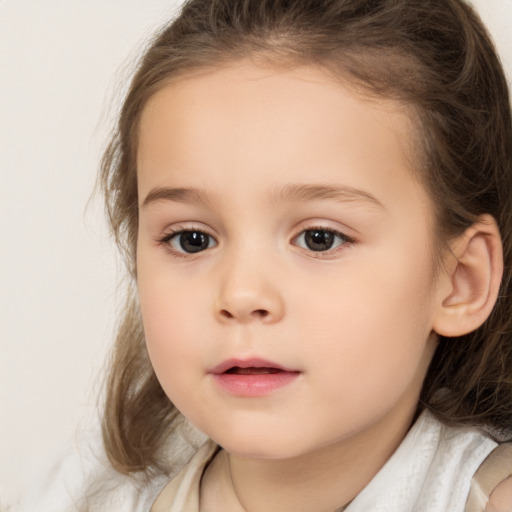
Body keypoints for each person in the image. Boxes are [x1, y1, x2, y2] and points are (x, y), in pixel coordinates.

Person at [20, 0, 512, 510]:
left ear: (461, 280)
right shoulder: (85, 493)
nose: (241, 294)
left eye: (319, 238)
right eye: (193, 239)